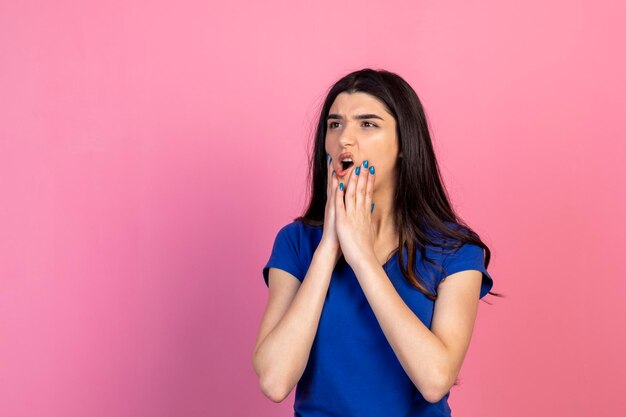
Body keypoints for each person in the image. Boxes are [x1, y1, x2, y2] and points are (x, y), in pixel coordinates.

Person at [252, 68, 502, 417]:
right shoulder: (297, 243)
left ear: (404, 144)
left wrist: (363, 259)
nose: (344, 140)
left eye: (367, 124)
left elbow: (434, 379)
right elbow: (274, 381)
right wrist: (328, 250)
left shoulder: (455, 251)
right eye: (334, 124)